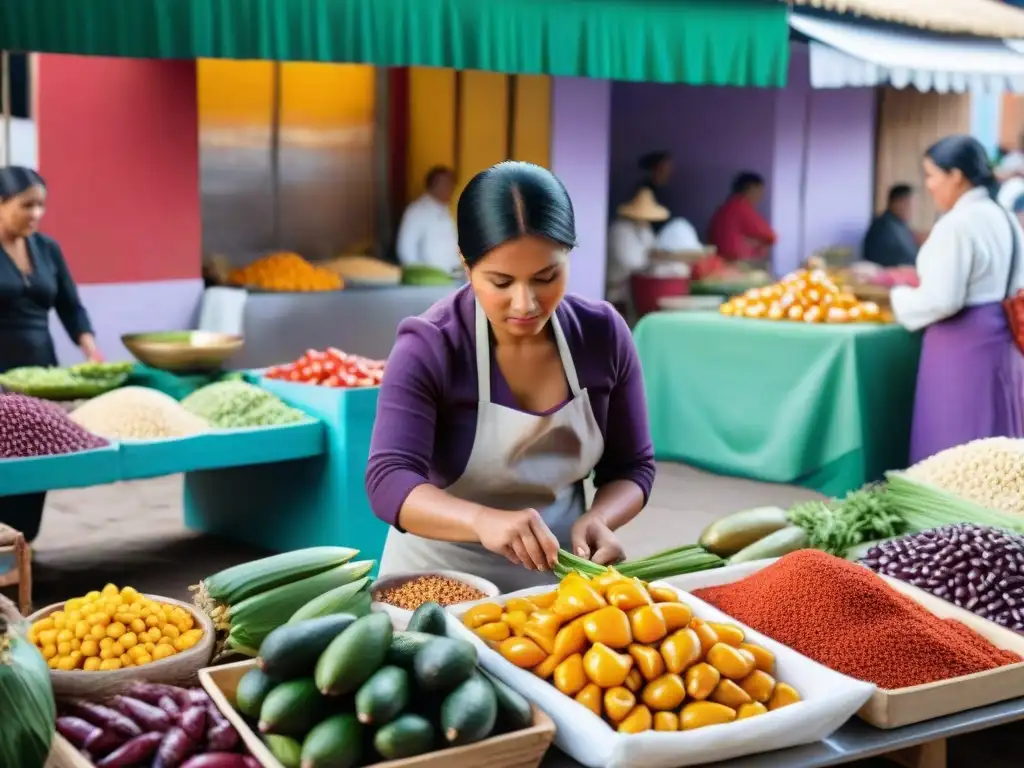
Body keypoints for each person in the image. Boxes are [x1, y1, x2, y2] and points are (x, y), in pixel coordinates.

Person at [366, 161, 656, 591]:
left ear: (569, 256)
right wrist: (481, 520)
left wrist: (599, 517)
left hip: (559, 583)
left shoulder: (602, 334)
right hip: (439, 585)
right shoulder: (430, 345)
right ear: (466, 265)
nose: (525, 303)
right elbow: (389, 479)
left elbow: (632, 466)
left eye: (546, 277)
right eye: (501, 282)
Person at [890, 135, 1024, 464]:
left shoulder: (958, 224)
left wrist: (899, 297)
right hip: (1002, 340)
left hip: (961, 344)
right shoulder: (1004, 217)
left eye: (933, 175)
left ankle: (949, 513)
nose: (929, 185)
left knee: (953, 442)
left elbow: (942, 299)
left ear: (957, 176)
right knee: (994, 441)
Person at [0, 166, 101, 541]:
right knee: (5, 459)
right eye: (27, 205)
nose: (36, 214)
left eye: (41, 206)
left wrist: (90, 348)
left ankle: (25, 541)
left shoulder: (47, 249)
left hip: (42, 374)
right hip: (1, 375)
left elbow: (71, 306)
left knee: (37, 454)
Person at [606, 188, 669, 307]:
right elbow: (631, 262)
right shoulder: (620, 230)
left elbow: (652, 249)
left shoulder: (645, 228)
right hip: (618, 291)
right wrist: (653, 259)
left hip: (636, 289)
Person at [395, 166, 459, 272]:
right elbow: (405, 250)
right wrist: (421, 277)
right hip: (428, 281)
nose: (451, 188)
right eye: (447, 183)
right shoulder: (417, 211)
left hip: (450, 278)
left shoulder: (445, 211)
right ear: (434, 185)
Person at [707, 172, 776, 264]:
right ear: (751, 189)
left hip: (720, 263)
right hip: (738, 264)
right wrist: (757, 242)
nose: (761, 196)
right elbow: (770, 235)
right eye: (760, 191)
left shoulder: (724, 208)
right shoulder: (740, 207)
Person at [862, 184, 921, 268]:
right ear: (896, 203)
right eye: (908, 204)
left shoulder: (900, 224)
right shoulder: (883, 227)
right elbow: (900, 257)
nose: (913, 209)